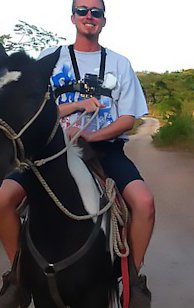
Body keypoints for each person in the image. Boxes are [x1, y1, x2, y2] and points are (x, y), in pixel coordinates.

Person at [0, 0, 154, 306]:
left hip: (104, 150)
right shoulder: (49, 59)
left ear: (103, 21)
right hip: (51, 151)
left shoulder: (119, 63)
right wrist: (74, 107)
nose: (89, 16)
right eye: (82, 10)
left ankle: (133, 278)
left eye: (96, 12)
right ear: (73, 17)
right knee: (2, 199)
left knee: (144, 203)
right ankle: (18, 276)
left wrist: (92, 136)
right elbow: (34, 106)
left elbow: (128, 118)